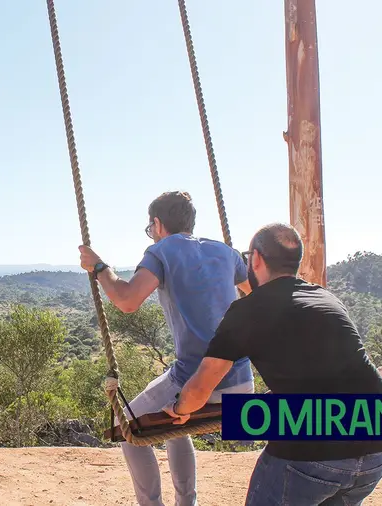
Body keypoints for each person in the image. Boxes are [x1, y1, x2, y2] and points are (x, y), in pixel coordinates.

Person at [164, 223, 382, 506]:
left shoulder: (247, 310)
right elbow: (328, 374)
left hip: (313, 454)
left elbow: (201, 386)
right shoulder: (326, 298)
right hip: (377, 447)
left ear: (255, 259)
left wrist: (179, 409)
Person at [78, 191, 255, 506]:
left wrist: (100, 268)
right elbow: (257, 294)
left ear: (157, 224)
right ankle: (187, 502)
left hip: (197, 380)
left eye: (150, 227)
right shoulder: (225, 252)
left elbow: (127, 300)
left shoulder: (161, 251)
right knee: (175, 419)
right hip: (242, 382)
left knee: (127, 428)